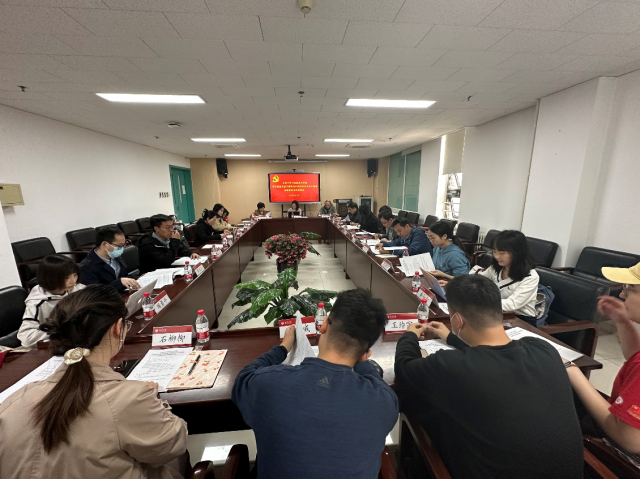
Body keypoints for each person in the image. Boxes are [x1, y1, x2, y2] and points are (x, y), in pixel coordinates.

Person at [394, 275, 583, 479]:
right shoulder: (543, 348)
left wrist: (410, 335)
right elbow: (491, 353)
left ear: (457, 320)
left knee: (423, 409)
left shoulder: (452, 365)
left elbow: (404, 367)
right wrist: (450, 337)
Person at [0, 285, 188, 479]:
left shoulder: (14, 401)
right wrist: (154, 402)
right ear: (118, 328)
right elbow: (173, 445)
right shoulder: (130, 398)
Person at [232, 288, 398, 479]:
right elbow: (375, 380)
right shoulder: (384, 400)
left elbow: (243, 378)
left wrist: (282, 348)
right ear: (367, 353)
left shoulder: (269, 384)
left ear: (324, 324)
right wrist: (361, 358)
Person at [566, 262, 640, 466]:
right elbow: (633, 356)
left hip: (623, 457)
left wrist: (572, 370)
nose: (622, 295)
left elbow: (629, 440)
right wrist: (621, 320)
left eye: (630, 289)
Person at [18, 255, 85, 348]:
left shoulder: (77, 288)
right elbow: (27, 337)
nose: (73, 281)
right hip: (57, 346)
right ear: (51, 278)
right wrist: (61, 333)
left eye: (75, 275)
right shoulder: (37, 303)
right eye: (67, 277)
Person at [474, 230, 539, 321]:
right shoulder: (497, 267)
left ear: (517, 252)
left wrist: (481, 302)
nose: (497, 256)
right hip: (496, 313)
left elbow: (512, 304)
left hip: (521, 319)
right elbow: (478, 280)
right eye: (494, 251)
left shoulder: (530, 277)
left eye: (502, 253)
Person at [79, 226, 140, 293]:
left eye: (123, 246)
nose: (121, 249)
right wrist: (119, 283)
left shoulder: (115, 256)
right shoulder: (86, 267)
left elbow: (124, 276)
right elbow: (96, 293)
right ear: (105, 244)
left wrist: (138, 278)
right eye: (119, 246)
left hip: (123, 292)